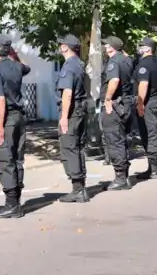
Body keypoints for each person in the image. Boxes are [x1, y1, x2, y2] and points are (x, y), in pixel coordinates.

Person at [0, 34, 31, 218]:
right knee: (17, 159)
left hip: (7, 119)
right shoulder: (16, 67)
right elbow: (26, 67)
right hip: (19, 117)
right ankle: (16, 201)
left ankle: (12, 204)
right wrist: (15, 55)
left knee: (5, 159)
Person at [56, 34, 90, 203]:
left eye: (61, 44)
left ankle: (78, 189)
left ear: (65, 47)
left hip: (72, 111)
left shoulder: (69, 67)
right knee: (78, 147)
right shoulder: (80, 64)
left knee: (69, 147)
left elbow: (67, 93)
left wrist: (63, 116)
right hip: (81, 109)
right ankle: (81, 188)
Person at [100, 36, 135, 190]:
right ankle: (124, 176)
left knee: (114, 141)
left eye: (106, 45)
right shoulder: (127, 60)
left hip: (115, 104)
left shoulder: (114, 61)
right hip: (126, 103)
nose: (104, 47)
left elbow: (114, 81)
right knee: (122, 140)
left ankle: (120, 179)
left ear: (111, 47)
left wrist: (108, 99)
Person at [135, 37, 157, 180]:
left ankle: (154, 170)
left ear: (147, 49)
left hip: (149, 102)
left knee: (150, 135)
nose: (139, 48)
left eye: (141, 46)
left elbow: (143, 84)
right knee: (156, 134)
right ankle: (153, 167)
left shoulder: (144, 64)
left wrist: (140, 104)